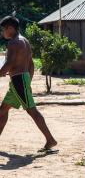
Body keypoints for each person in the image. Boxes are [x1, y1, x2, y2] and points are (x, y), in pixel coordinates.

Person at [0, 16, 57, 151]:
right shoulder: (24, 41)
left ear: (10, 28)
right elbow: (30, 65)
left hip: (19, 81)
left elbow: (9, 63)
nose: (2, 33)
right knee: (2, 111)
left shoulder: (13, 43)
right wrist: (28, 81)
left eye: (3, 30)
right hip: (20, 81)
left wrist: (2, 72)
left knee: (32, 111)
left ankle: (51, 140)